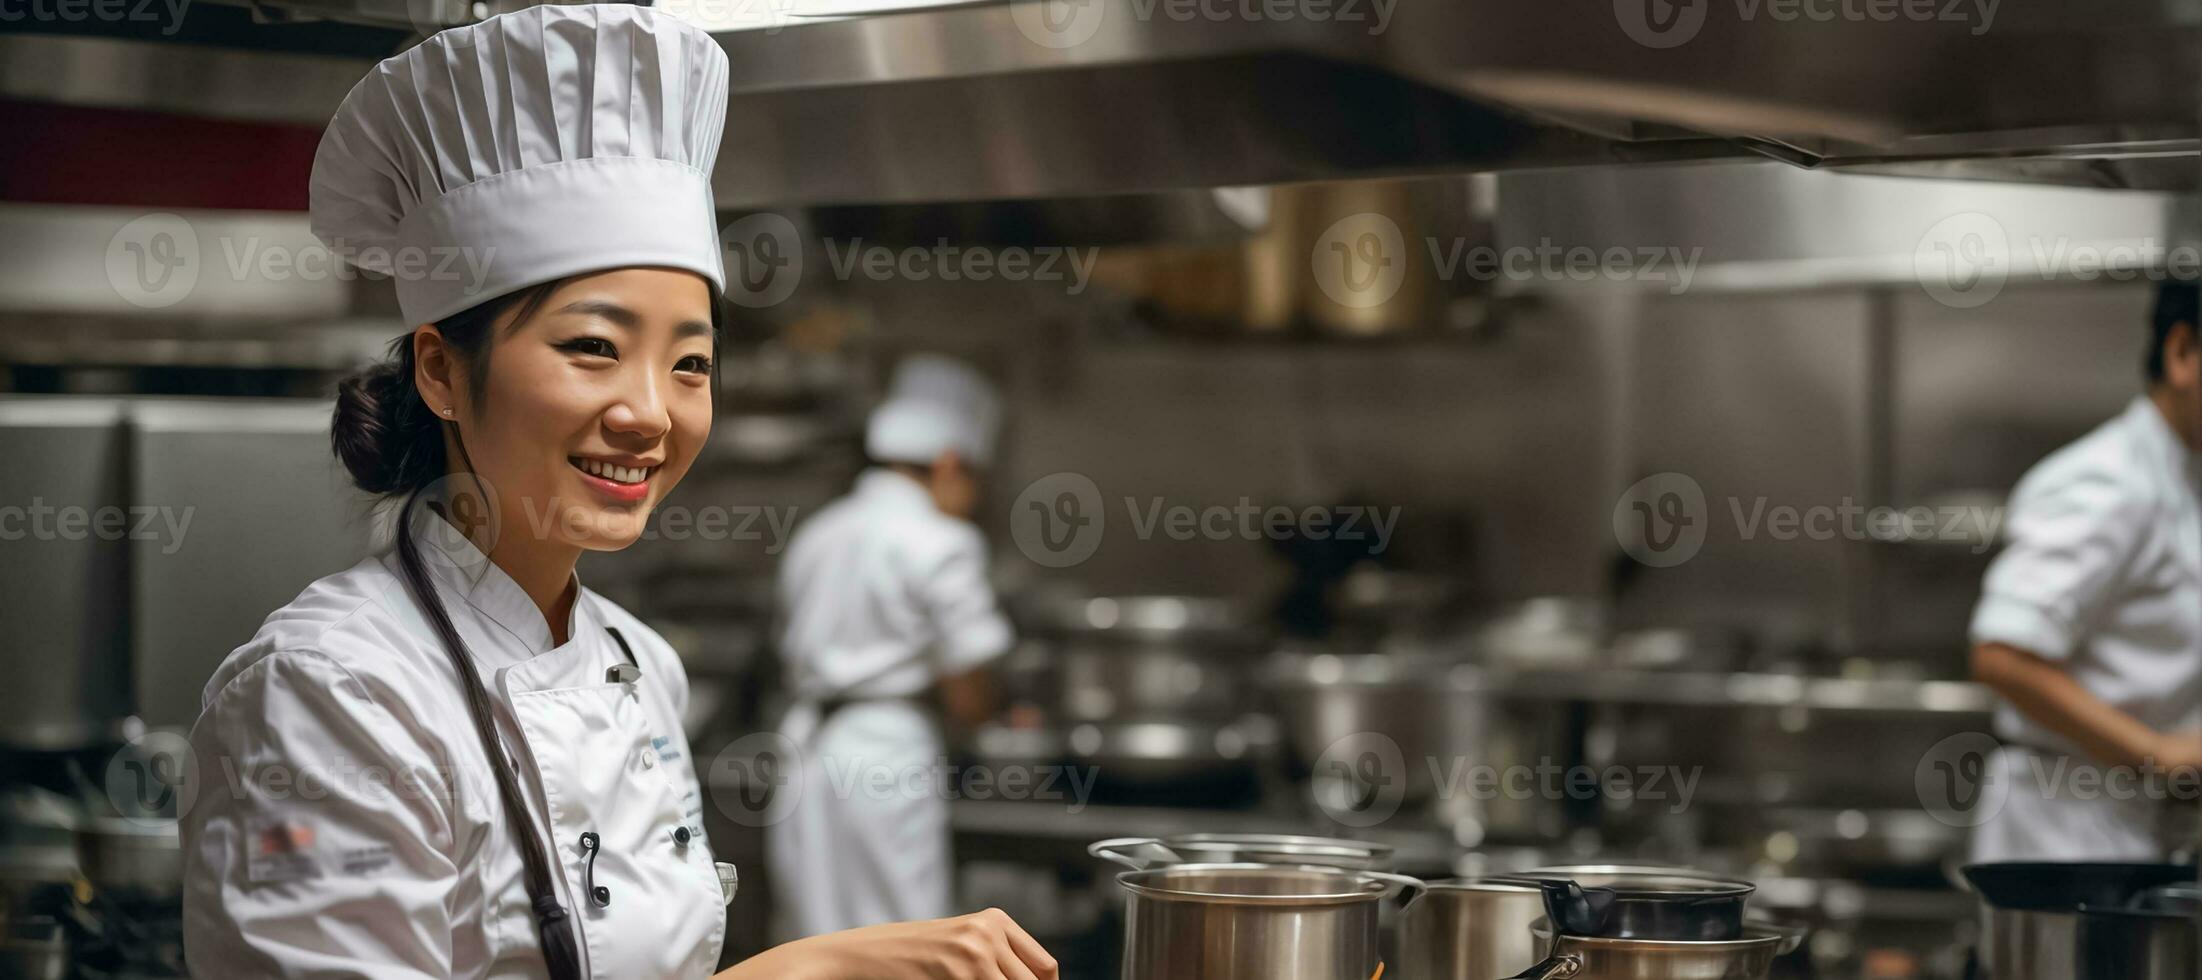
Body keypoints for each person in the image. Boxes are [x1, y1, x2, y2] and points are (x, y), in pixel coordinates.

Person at [179, 7, 1057, 979]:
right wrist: (804, 971)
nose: (650, 412)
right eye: (592, 346)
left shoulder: (641, 665)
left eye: (691, 362)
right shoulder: (330, 690)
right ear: (441, 369)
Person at [768, 355, 1014, 938]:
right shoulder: (942, 540)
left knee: (814, 940)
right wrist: (988, 718)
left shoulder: (820, 531)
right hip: (886, 752)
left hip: (802, 748)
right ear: (952, 464)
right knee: (903, 939)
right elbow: (969, 681)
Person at [1968, 280, 2202, 862]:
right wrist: (2158, 753)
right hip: (2063, 829)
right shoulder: (2109, 480)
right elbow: (2003, 653)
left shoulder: (2183, 478)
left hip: (2130, 825)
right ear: (2181, 353)